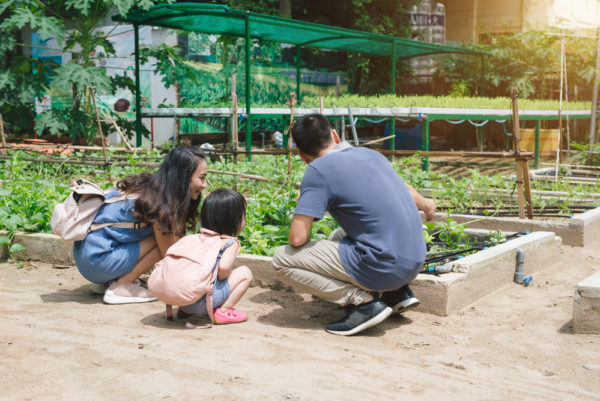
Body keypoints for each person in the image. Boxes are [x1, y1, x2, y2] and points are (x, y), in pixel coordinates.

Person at [271, 114, 436, 336]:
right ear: (335, 135)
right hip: (414, 260)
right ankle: (396, 293)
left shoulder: (318, 170)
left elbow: (297, 238)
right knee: (339, 236)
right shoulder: (371, 154)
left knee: (283, 259)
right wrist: (426, 205)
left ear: (302, 155)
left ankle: (364, 303)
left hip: (385, 266)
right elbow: (405, 190)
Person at [73, 146, 209, 304]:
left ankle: (109, 281)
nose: (204, 184)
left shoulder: (150, 188)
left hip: (86, 256)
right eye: (202, 178)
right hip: (96, 262)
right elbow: (170, 252)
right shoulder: (162, 205)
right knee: (166, 242)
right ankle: (122, 286)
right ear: (184, 177)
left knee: (166, 236)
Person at [176, 189, 253, 324]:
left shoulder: (197, 238)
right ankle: (223, 312)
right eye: (243, 215)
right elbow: (223, 269)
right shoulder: (230, 243)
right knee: (245, 273)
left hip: (183, 300)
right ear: (234, 219)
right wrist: (225, 277)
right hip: (202, 303)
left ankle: (186, 311)